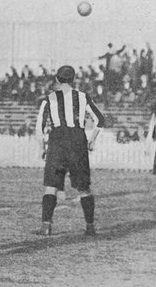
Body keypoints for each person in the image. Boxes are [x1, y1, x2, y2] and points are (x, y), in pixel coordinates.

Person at [35, 65, 104, 237]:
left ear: (57, 79)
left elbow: (39, 128)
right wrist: (92, 139)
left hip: (57, 141)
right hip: (77, 141)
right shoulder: (83, 97)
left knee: (51, 185)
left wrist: (42, 147)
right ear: (73, 79)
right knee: (83, 187)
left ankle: (46, 226)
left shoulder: (48, 99)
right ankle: (90, 226)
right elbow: (100, 119)